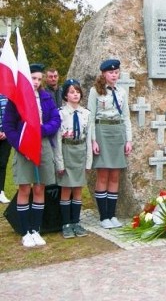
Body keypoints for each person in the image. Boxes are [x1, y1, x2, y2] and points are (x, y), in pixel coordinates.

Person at [3, 63, 61, 247]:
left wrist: (40, 130)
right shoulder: (16, 99)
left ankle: (36, 229)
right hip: (23, 146)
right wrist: (22, 144)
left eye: (38, 79)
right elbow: (8, 126)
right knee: (24, 189)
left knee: (39, 188)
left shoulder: (46, 97)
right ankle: (25, 231)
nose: (35, 82)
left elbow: (55, 120)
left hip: (42, 144)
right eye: (32, 78)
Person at [89, 59, 132, 229]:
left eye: (116, 72)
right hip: (102, 131)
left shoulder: (121, 91)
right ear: (104, 74)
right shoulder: (95, 91)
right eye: (111, 73)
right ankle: (103, 216)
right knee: (103, 174)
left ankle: (112, 215)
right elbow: (91, 117)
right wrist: (93, 140)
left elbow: (126, 117)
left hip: (118, 132)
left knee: (115, 174)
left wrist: (128, 139)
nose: (114, 75)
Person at [53, 79, 92, 238]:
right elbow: (57, 140)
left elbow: (89, 137)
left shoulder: (86, 113)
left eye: (77, 92)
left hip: (80, 151)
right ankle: (66, 223)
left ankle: (76, 221)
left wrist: (88, 161)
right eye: (71, 92)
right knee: (66, 188)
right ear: (65, 96)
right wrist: (60, 163)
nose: (75, 95)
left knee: (78, 189)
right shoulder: (60, 113)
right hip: (67, 150)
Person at [0, 93, 11, 203]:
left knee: (2, 163)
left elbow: (10, 115)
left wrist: (6, 131)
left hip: (6, 134)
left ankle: (0, 191)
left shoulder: (7, 95)